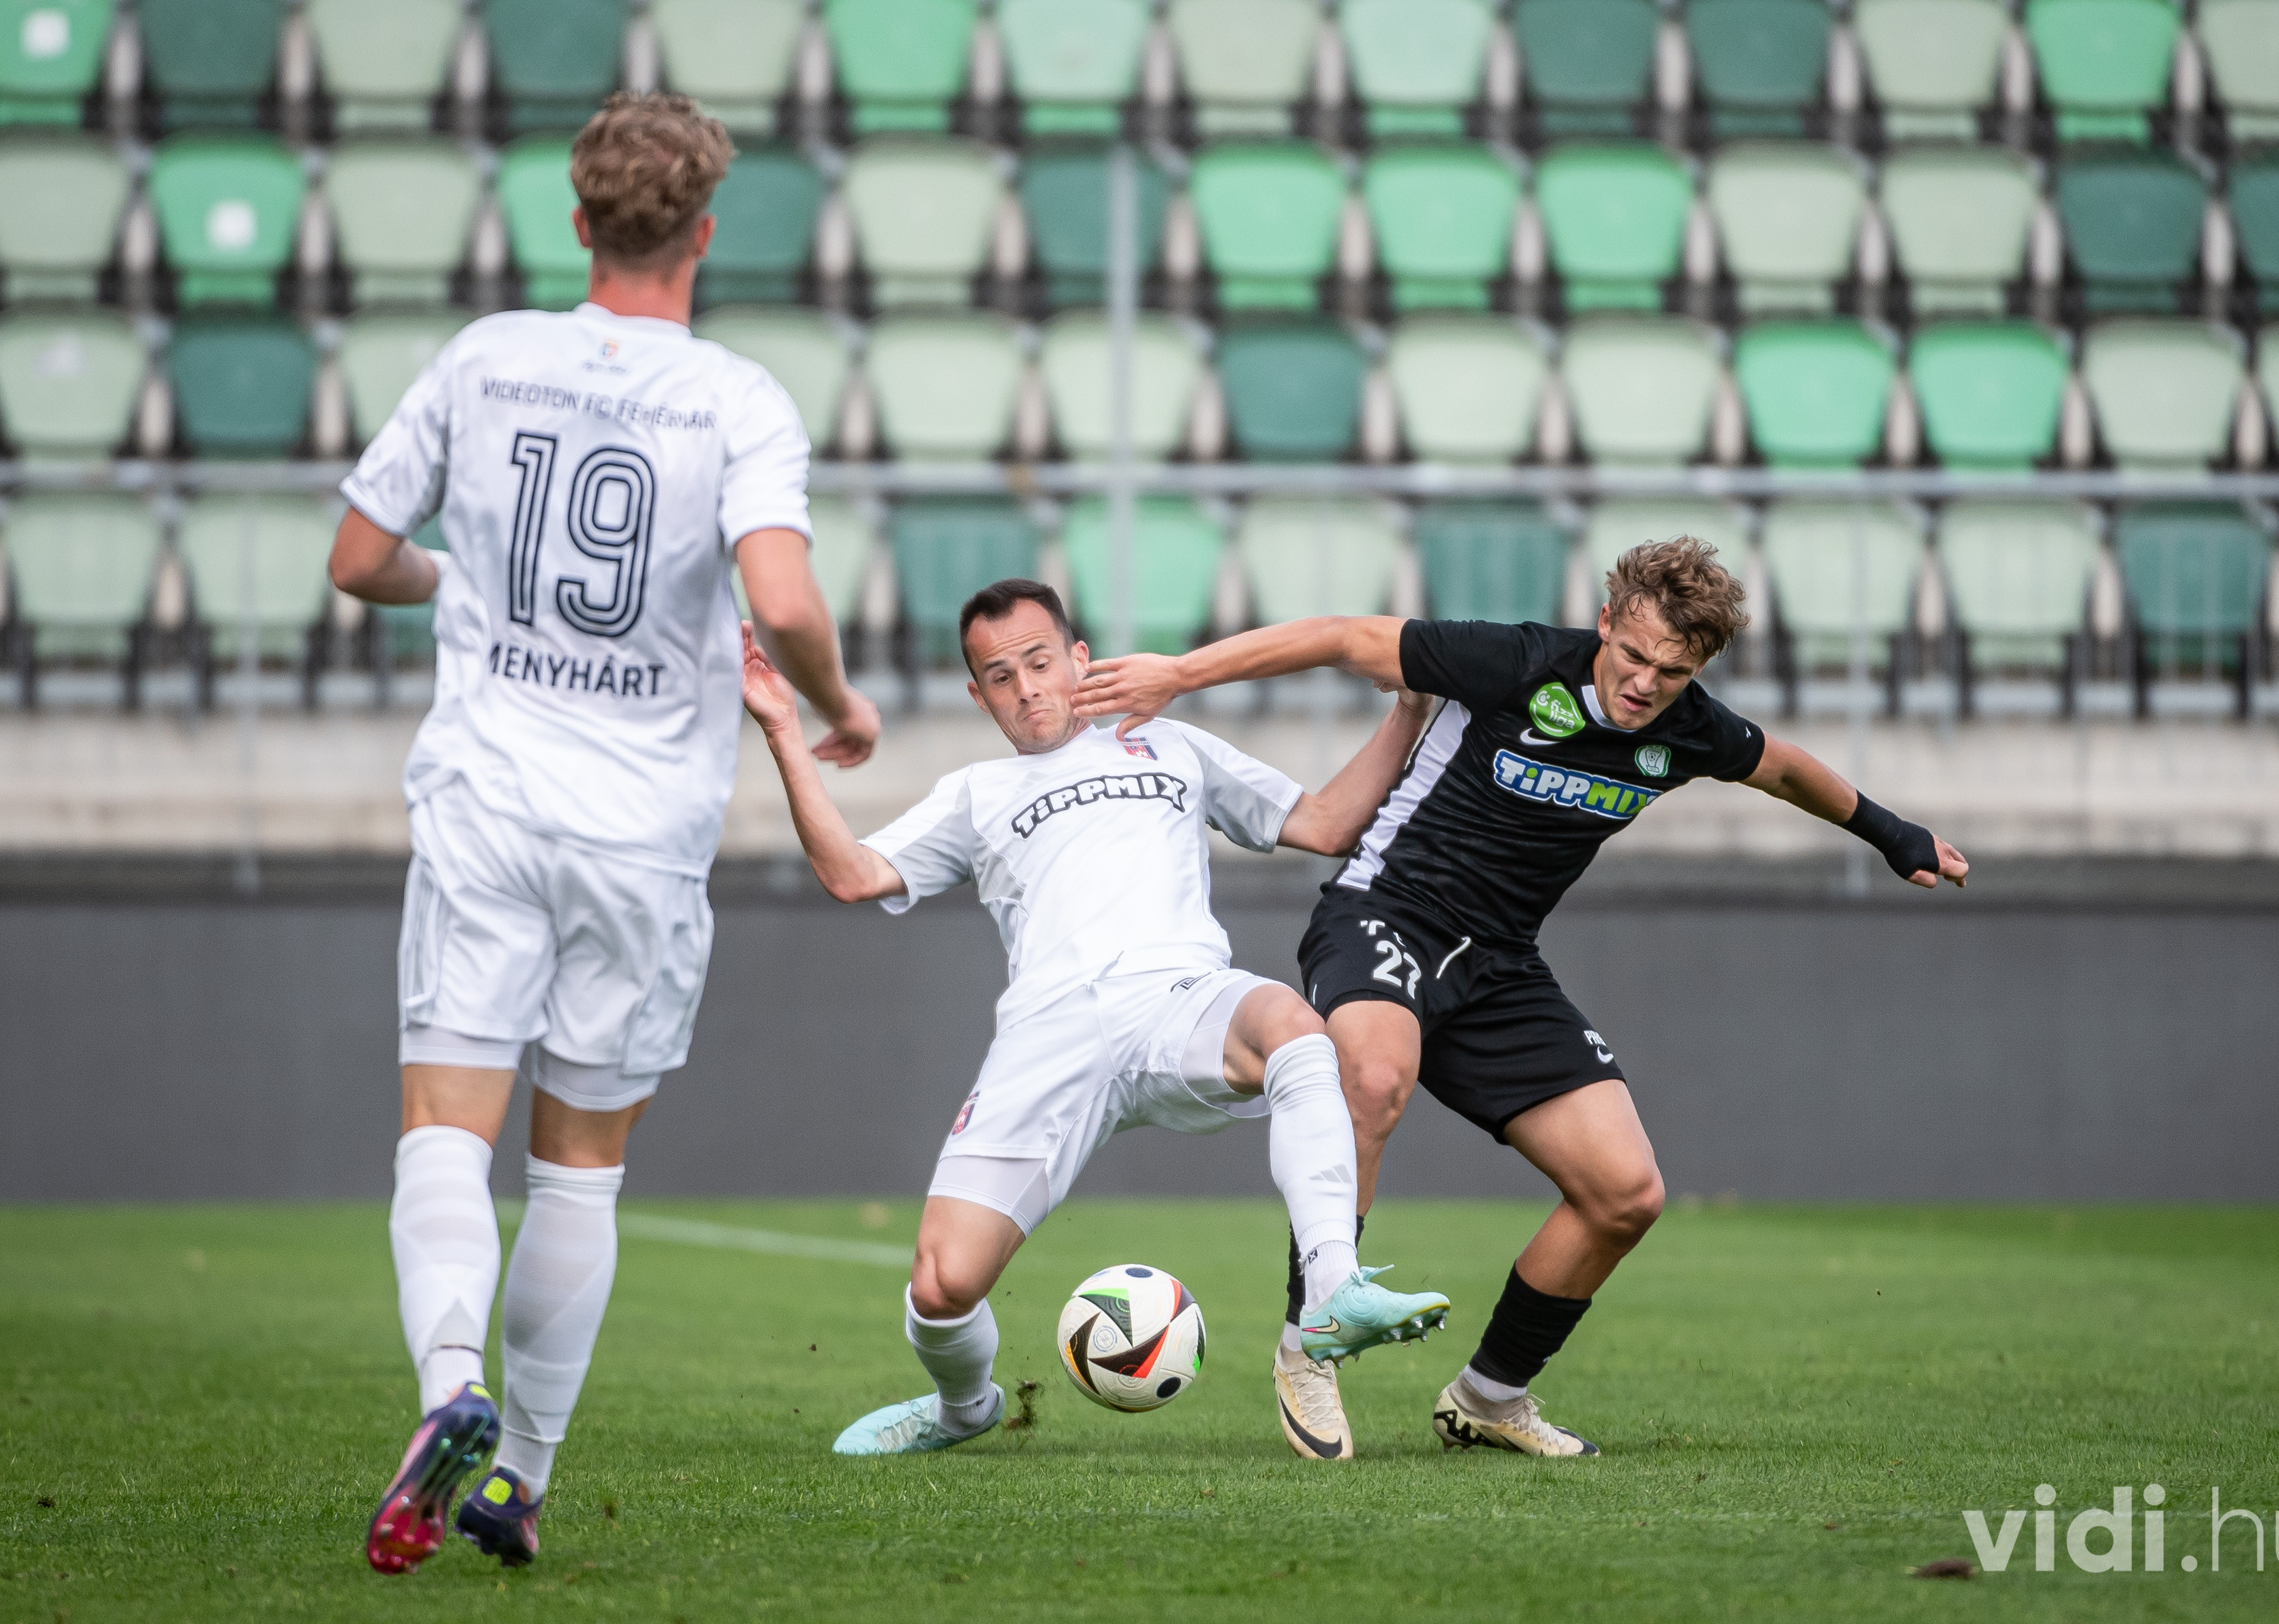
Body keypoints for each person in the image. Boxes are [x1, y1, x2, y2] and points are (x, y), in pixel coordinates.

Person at [1073, 537, 1969, 1461]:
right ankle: (1311, 1344)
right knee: (1372, 1078)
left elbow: (1782, 766)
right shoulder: (1513, 662)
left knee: (1625, 1194)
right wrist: (1179, 673)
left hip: (1499, 966)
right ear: (1606, 622)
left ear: (1698, 670)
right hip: (1386, 913)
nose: (1644, 684)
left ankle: (1490, 1398)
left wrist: (1892, 833)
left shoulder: (1692, 729)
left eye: (1672, 672)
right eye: (1633, 655)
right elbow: (1341, 636)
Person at [328, 93, 880, 1573]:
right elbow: (782, 600)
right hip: (641, 837)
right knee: (578, 1169)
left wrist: (455, 584)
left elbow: (360, 557)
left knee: (444, 1131)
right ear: (705, 232)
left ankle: (449, 1386)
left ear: (578, 223)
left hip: (489, 806)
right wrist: (839, 706)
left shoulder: (486, 356)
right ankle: (518, 1478)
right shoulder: (738, 398)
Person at [743, 579, 1449, 1458]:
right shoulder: (976, 791)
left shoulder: (1169, 743)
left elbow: (1327, 822)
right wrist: (783, 729)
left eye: (1040, 662)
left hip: (1177, 996)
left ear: (1080, 659)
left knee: (1296, 1028)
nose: (1026, 688)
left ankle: (1331, 1294)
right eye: (1000, 677)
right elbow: (852, 874)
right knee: (941, 1285)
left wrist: (1410, 710)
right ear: (978, 696)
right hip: (1049, 1036)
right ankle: (964, 1409)